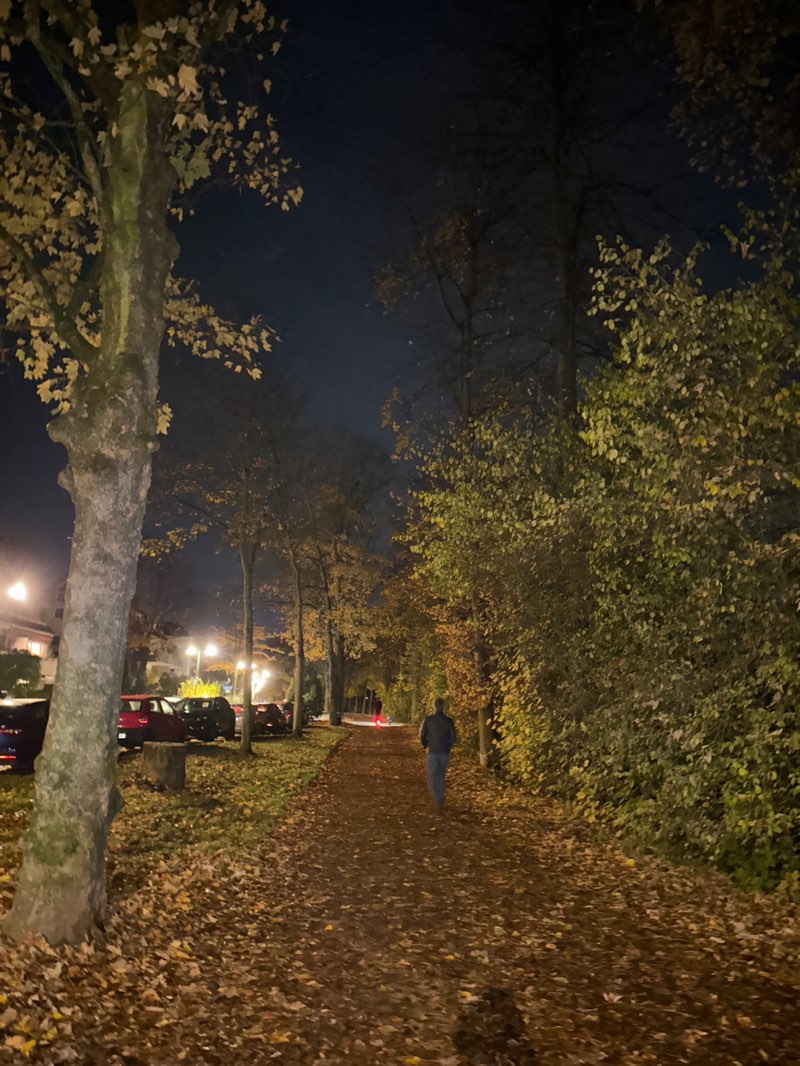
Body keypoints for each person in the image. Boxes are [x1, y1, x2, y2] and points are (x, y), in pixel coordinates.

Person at [419, 697, 457, 813]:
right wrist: (448, 746)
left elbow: (422, 735)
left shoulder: (429, 720)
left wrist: (427, 746)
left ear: (434, 706)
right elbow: (453, 738)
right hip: (444, 752)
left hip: (433, 751)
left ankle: (436, 799)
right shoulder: (448, 721)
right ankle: (440, 800)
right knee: (441, 776)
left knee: (432, 777)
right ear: (443, 706)